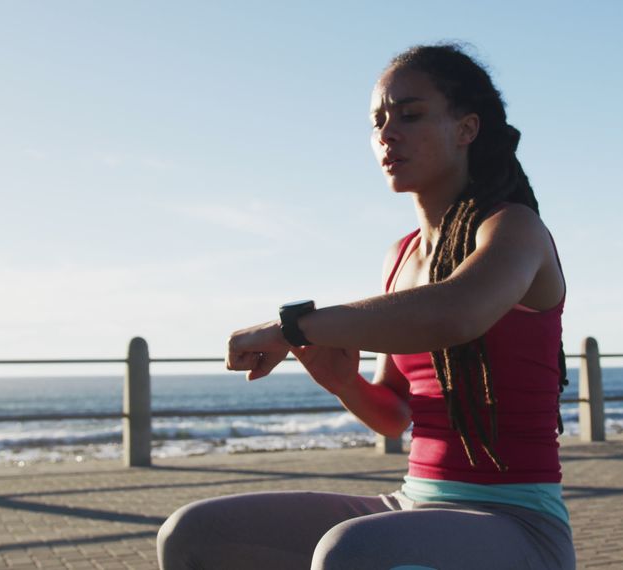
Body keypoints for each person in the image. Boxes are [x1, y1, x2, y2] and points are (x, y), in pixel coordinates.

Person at [157, 43, 575, 570]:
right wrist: (345, 384)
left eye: (410, 114)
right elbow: (395, 415)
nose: (387, 132)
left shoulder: (514, 229)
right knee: (192, 533)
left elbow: (455, 314)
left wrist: (294, 328)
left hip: (518, 522)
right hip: (414, 502)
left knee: (350, 552)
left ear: (466, 129)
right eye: (378, 120)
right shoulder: (399, 258)